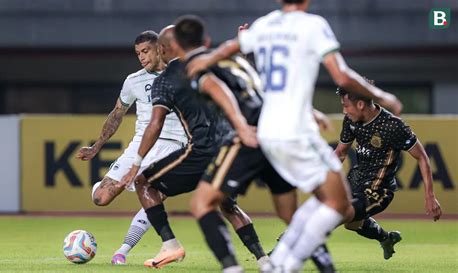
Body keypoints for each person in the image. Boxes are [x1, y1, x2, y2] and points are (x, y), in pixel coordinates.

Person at [187, 0, 403, 271]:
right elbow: (342, 75)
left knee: (318, 203)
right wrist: (383, 97)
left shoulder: (264, 25)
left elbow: (234, 46)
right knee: (338, 204)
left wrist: (207, 58)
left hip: (266, 131)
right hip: (296, 131)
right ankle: (285, 265)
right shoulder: (313, 25)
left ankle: (280, 261)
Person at [172, 15, 336, 273]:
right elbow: (266, 87)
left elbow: (217, 88)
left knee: (201, 204)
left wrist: (239, 126)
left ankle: (232, 269)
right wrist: (310, 113)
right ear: (206, 40)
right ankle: (327, 267)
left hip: (250, 135)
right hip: (277, 131)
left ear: (176, 47)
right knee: (289, 214)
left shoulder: (196, 65)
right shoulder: (234, 59)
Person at [119, 25, 270, 270]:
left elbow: (155, 124)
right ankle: (264, 260)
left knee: (143, 182)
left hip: (200, 151)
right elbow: (235, 73)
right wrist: (243, 47)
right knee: (227, 204)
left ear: (162, 49)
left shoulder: (164, 82)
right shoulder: (205, 62)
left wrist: (135, 162)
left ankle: (170, 245)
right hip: (230, 147)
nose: (145, 55)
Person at [76, 30, 187, 265]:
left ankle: (123, 250)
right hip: (140, 143)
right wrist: (96, 147)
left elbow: (212, 59)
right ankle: (108, 186)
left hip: (175, 145)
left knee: (152, 195)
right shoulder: (133, 81)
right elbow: (117, 113)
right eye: (138, 53)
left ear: (160, 48)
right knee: (101, 198)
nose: (142, 57)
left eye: (145, 51)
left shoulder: (180, 72)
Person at [335, 81, 442, 259]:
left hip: (379, 189)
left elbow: (422, 156)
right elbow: (340, 152)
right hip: (356, 179)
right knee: (351, 224)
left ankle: (294, 245)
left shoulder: (393, 126)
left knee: (337, 213)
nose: (344, 111)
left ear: (360, 104)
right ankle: (386, 238)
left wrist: (430, 196)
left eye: (346, 106)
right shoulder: (351, 120)